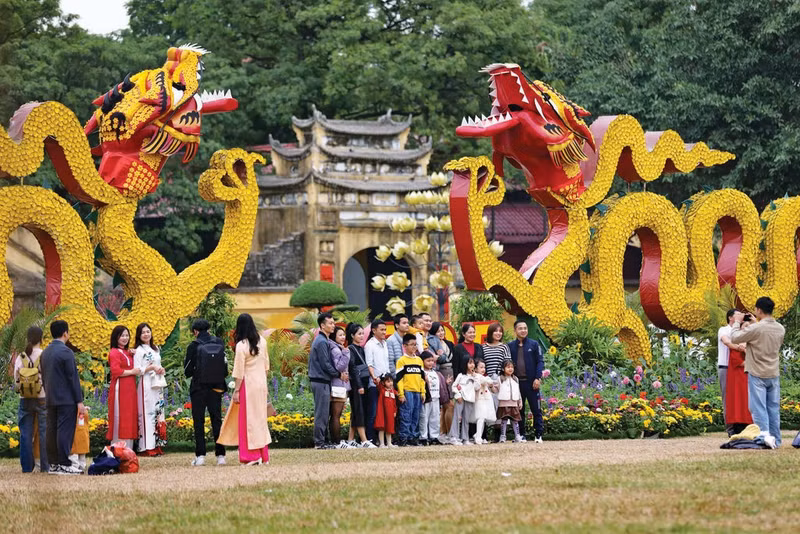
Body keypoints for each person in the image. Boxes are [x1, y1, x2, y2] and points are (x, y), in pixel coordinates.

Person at [730, 297, 785, 448]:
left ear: (759, 310)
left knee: (758, 407)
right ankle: (776, 440)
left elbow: (734, 337)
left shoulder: (757, 328)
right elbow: (766, 338)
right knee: (773, 408)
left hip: (757, 372)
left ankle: (764, 438)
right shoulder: (780, 328)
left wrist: (736, 321)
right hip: (773, 372)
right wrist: (756, 323)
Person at [218, 313, 271, 465]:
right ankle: (263, 455)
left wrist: (236, 391)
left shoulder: (241, 345)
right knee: (260, 420)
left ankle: (252, 456)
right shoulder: (263, 341)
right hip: (261, 385)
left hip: (248, 386)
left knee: (248, 422)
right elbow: (266, 367)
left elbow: (239, 372)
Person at [39, 320, 84, 475]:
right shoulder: (66, 352)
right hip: (66, 399)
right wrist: (79, 401)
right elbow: (73, 378)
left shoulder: (45, 352)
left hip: (50, 397)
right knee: (64, 430)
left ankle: (54, 464)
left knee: (51, 431)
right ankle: (65, 463)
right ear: (65, 333)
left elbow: (43, 377)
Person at [184, 318, 228, 466]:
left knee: (199, 421)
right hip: (216, 387)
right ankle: (221, 455)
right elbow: (225, 367)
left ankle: (201, 456)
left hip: (198, 388)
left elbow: (187, 371)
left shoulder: (194, 346)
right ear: (208, 329)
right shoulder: (219, 343)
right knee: (217, 420)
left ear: (195, 332)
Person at [14, 325, 49, 473]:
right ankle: (45, 467)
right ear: (41, 338)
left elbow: (16, 378)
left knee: (26, 434)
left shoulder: (21, 356)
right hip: (42, 397)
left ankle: (27, 467)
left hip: (25, 398)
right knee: (44, 433)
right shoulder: (44, 355)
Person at [307, 312, 342, 449]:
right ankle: (319, 442)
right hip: (320, 380)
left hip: (322, 381)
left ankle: (324, 441)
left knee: (324, 412)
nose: (333, 326)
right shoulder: (321, 341)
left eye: (334, 323)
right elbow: (325, 364)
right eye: (330, 323)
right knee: (321, 413)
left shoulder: (323, 340)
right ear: (322, 325)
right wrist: (338, 374)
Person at [507, 319, 544, 443]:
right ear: (515, 331)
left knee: (536, 409)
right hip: (517, 383)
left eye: (525, 328)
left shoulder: (534, 344)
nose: (523, 330)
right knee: (519, 410)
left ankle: (538, 434)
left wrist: (537, 378)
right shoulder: (510, 346)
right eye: (520, 328)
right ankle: (521, 435)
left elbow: (540, 362)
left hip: (532, 383)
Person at [133, 323, 166, 456]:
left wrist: (161, 369)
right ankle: (146, 446)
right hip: (145, 384)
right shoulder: (138, 351)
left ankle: (157, 444)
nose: (146, 334)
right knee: (147, 413)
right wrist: (151, 368)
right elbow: (138, 370)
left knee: (158, 412)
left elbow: (158, 364)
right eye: (143, 332)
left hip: (157, 383)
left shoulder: (156, 348)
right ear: (139, 335)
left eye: (148, 331)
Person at [107, 325, 139, 449]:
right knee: (120, 415)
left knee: (129, 415)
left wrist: (134, 353)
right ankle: (117, 447)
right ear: (116, 337)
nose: (125, 338)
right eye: (122, 335)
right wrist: (132, 372)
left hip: (130, 388)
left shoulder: (128, 352)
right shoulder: (114, 352)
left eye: (127, 335)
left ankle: (128, 448)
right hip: (120, 388)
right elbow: (115, 371)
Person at [345, 323, 375, 448]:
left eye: (363, 333)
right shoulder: (350, 349)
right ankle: (364, 440)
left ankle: (350, 439)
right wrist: (359, 386)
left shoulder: (362, 349)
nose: (362, 336)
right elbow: (353, 369)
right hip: (357, 384)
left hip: (364, 382)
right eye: (359, 334)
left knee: (356, 411)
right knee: (359, 410)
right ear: (352, 335)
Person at [718, 309, 745, 436]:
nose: (740, 317)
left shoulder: (741, 331)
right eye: (738, 315)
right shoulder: (723, 330)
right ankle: (730, 429)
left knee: (739, 398)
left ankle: (741, 425)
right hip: (726, 367)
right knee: (727, 398)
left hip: (738, 369)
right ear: (730, 318)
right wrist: (740, 347)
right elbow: (726, 342)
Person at [395, 333, 425, 446]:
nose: (414, 347)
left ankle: (414, 437)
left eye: (415, 344)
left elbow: (422, 379)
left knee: (416, 415)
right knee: (406, 415)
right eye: (411, 345)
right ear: (405, 346)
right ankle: (403, 437)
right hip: (407, 391)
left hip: (417, 392)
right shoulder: (401, 361)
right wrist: (401, 394)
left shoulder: (419, 360)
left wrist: (423, 392)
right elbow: (399, 379)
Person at [364, 319, 389, 443]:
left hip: (385, 383)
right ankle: (370, 439)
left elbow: (386, 364)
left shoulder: (385, 343)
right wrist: (374, 377)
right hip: (374, 384)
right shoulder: (370, 344)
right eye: (382, 329)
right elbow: (369, 363)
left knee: (383, 413)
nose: (384, 332)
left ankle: (382, 440)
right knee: (373, 412)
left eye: (385, 329)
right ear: (374, 330)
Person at [328, 325, 352, 448]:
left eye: (344, 335)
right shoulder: (336, 349)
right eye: (340, 335)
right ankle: (336, 441)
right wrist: (346, 353)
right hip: (338, 386)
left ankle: (335, 440)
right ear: (334, 336)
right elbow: (340, 367)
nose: (343, 337)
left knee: (335, 415)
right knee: (336, 415)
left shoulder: (337, 347)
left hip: (338, 385)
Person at [419, 351, 450, 445]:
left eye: (432, 361)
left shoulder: (436, 373)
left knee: (435, 417)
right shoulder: (422, 372)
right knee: (424, 417)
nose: (431, 363)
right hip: (426, 399)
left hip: (436, 398)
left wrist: (446, 383)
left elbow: (441, 384)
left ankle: (434, 436)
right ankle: (423, 437)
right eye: (428, 361)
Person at [726, 332, 753, 435]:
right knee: (740, 400)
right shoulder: (736, 344)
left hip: (751, 375)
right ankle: (739, 426)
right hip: (739, 376)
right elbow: (737, 361)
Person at [432, 322, 456, 435]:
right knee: (448, 404)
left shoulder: (449, 343)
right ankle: (450, 433)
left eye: (442, 330)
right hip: (440, 372)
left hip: (451, 372)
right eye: (438, 331)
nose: (441, 333)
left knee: (447, 406)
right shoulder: (433, 344)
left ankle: (444, 432)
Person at [449, 357, 478, 446]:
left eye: (473, 363)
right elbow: (454, 386)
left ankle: (465, 438)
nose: (472, 365)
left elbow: (477, 387)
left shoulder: (475, 376)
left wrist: (475, 377)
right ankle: (454, 437)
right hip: (461, 399)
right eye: (469, 363)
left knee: (466, 419)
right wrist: (458, 395)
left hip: (470, 399)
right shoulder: (461, 375)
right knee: (457, 417)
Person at [496, 360, 524, 443]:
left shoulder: (515, 379)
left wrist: (520, 401)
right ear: (503, 369)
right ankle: (503, 436)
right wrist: (491, 387)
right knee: (503, 420)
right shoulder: (500, 379)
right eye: (508, 367)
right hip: (503, 403)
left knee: (515, 420)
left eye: (512, 367)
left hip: (514, 402)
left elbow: (518, 391)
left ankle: (517, 436)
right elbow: (495, 390)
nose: (510, 369)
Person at [472, 359, 497, 444]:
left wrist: (490, 384)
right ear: (475, 369)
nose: (483, 369)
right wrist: (481, 381)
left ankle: (478, 435)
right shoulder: (475, 377)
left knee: (483, 418)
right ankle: (478, 436)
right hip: (479, 399)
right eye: (481, 367)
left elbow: (492, 387)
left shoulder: (486, 378)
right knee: (480, 417)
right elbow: (475, 387)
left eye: (484, 367)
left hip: (486, 399)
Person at [374, 374, 398, 448]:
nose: (390, 383)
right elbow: (378, 384)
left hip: (390, 413)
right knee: (382, 427)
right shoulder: (382, 389)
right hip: (382, 412)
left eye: (391, 381)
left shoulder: (393, 391)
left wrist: (395, 411)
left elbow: (394, 403)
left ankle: (389, 443)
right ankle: (382, 444)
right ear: (383, 383)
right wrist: (378, 380)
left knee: (389, 427)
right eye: (388, 381)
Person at [69, 405, 90, 472]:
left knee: (74, 452)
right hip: (83, 435)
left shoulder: (73, 410)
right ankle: (82, 466)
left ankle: (75, 466)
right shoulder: (84, 411)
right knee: (82, 454)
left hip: (75, 435)